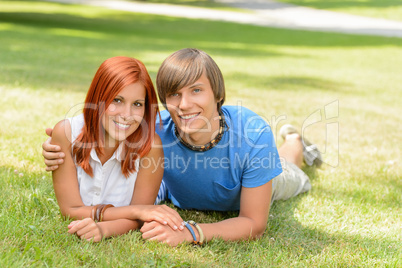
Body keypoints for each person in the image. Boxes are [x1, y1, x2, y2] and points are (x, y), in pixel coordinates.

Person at [42, 49, 321, 246]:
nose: (184, 104)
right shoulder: (152, 129)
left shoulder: (254, 133)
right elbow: (103, 130)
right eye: (174, 94)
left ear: (218, 93)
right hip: (174, 195)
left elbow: (254, 223)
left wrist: (192, 232)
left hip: (251, 188)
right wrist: (55, 147)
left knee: (287, 170)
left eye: (196, 90)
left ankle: (295, 142)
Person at [49, 56, 184, 242]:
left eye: (137, 104)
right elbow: (70, 210)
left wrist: (103, 229)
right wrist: (138, 210)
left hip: (156, 180)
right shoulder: (65, 133)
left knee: (166, 190)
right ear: (98, 98)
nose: (127, 115)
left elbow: (139, 219)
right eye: (117, 100)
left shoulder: (151, 146)